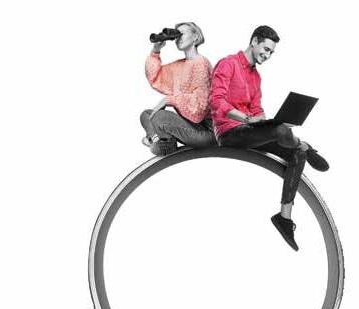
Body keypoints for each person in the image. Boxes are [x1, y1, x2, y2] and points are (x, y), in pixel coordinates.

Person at [209, 25, 329, 251]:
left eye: (271, 52)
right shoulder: (228, 64)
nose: (268, 55)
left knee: (296, 152)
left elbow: (257, 109)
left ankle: (284, 218)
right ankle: (306, 145)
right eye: (266, 49)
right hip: (229, 133)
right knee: (282, 131)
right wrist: (247, 119)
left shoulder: (256, 76)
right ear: (254, 41)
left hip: (249, 130)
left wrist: (265, 123)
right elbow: (216, 102)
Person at [140, 22, 217, 156]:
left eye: (182, 34)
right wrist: (156, 51)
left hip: (207, 132)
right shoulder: (179, 66)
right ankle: (160, 141)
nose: (178, 38)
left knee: (158, 117)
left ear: (195, 37)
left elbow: (199, 109)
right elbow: (155, 77)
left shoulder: (201, 63)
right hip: (191, 126)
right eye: (176, 35)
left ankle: (159, 143)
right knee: (146, 114)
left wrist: (170, 100)